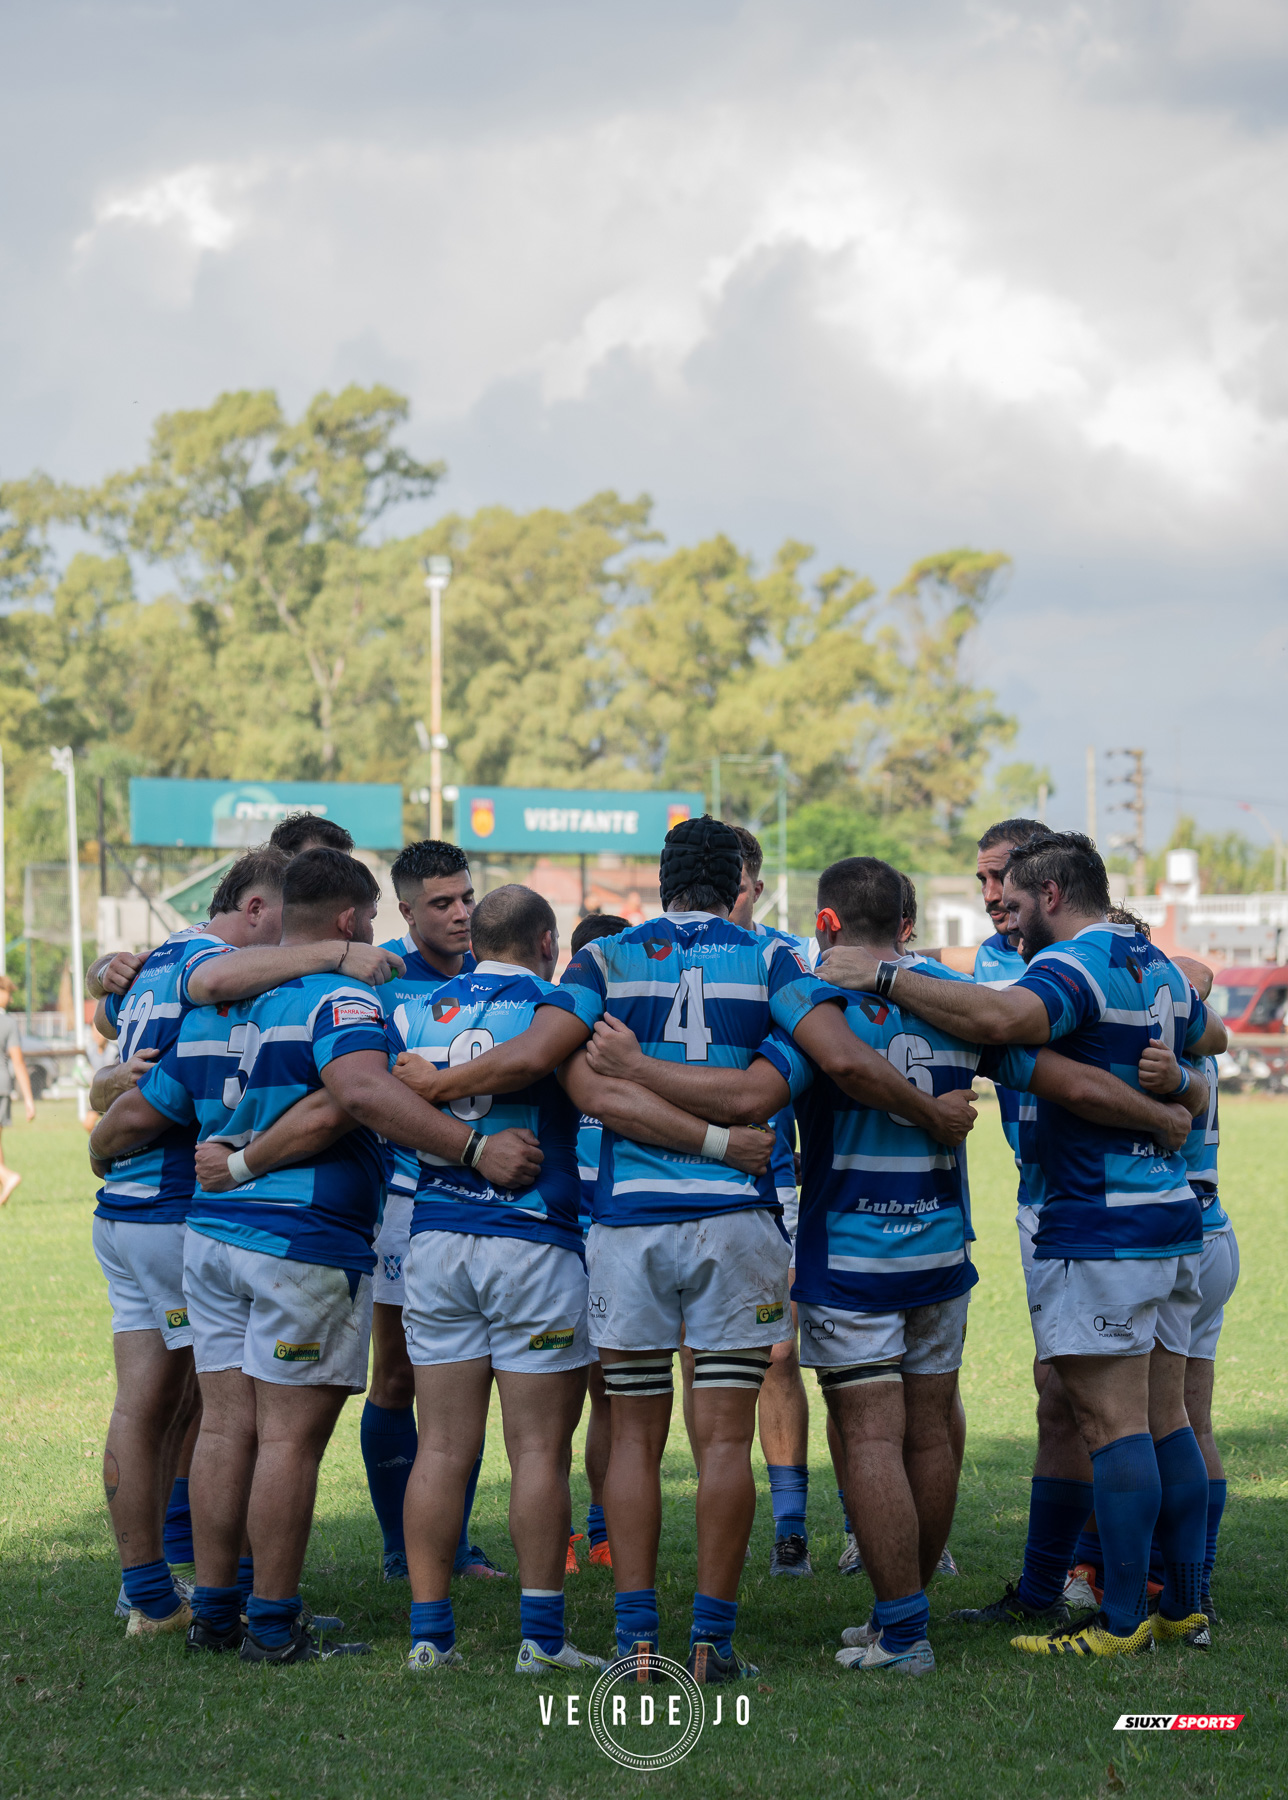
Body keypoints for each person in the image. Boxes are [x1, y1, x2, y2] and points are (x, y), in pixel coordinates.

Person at [521, 817, 976, 1681]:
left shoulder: (605, 958)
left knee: (633, 1441)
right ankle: (713, 1642)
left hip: (627, 1225)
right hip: (736, 1221)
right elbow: (829, 1063)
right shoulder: (773, 963)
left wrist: (629, 1069)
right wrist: (925, 1112)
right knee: (726, 1443)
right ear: (739, 884)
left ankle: (635, 1641)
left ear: (660, 884)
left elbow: (572, 1072)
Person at [90, 849, 533, 1664]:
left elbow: (152, 1105)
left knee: (225, 1427)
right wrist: (474, 1150)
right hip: (303, 1240)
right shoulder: (340, 996)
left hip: (214, 1237)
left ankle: (217, 1613)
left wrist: (97, 1145)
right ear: (347, 920)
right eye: (368, 919)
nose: (372, 934)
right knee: (288, 1440)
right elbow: (359, 1096)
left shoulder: (219, 1006)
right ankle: (272, 1623)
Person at [819, 831, 1226, 1660]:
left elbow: (1011, 1019)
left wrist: (890, 976)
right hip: (1175, 1215)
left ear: (1052, 895)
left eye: (1014, 893)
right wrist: (1173, 1094)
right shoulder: (1149, 962)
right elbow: (1205, 1038)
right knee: (1166, 1421)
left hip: (1099, 1220)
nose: (1004, 910)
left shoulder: (1070, 964)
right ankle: (1184, 1604)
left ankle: (1118, 1623)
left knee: (1111, 1427)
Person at [389, 884, 777, 1674]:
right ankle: (540, 1639)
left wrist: (435, 1091)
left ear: (476, 939)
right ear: (545, 944)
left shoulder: (414, 1010)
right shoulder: (556, 1006)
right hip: (531, 1240)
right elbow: (602, 1100)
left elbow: (383, 1099)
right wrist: (719, 1143)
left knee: (442, 1446)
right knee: (537, 1450)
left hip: (432, 1240)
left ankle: (430, 1635)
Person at [86, 848, 296, 1635]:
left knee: (147, 1403)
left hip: (123, 1212)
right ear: (251, 909)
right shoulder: (206, 959)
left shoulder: (156, 955)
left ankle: (146, 1592)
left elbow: (111, 1023)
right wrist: (342, 954)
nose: (284, 944)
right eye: (282, 921)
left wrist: (104, 981)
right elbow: (203, 997)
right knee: (220, 1407)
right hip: (171, 1212)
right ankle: (229, 1590)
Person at [361, 839, 501, 1586]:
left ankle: (457, 1544)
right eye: (441, 903)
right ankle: (398, 1547)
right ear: (406, 910)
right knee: (395, 1378)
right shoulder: (379, 977)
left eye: (467, 898)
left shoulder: (497, 976)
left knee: (465, 1383)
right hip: (401, 1200)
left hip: (481, 1198)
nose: (460, 914)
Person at [726, 826, 814, 1577]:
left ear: (755, 886)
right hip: (681, 1184)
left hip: (773, 1181)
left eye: (746, 885)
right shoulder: (661, 954)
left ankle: (792, 1527)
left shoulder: (787, 958)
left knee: (779, 1355)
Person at [82, 812, 356, 1005]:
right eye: (320, 868)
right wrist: (105, 972)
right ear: (281, 865)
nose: (333, 883)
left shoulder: (351, 950)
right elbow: (108, 1012)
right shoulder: (213, 943)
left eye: (343, 872)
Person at [563, 912, 631, 1574]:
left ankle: (602, 1527)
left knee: (612, 1391)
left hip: (616, 1235)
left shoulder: (636, 1039)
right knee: (552, 1394)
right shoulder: (549, 1033)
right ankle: (559, 1535)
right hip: (557, 1240)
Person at [0, 974, 36, 1206]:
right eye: (8, 992)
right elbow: (18, 1063)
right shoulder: (8, 1023)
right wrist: (29, 1100)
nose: (10, 998)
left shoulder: (8, 1022)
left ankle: (7, 1176)